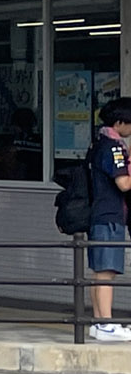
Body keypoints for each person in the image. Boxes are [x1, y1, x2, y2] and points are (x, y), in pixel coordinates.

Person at [83, 97, 131, 342]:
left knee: (100, 271)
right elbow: (124, 183)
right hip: (109, 215)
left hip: (99, 213)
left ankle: (98, 322)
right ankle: (106, 323)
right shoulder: (113, 147)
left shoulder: (98, 142)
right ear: (120, 122)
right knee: (106, 272)